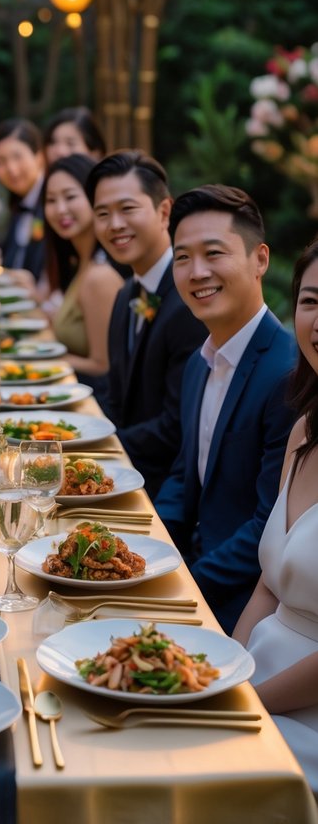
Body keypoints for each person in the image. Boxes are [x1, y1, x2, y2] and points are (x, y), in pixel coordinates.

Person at [155, 185, 297, 633]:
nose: (197, 272)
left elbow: (268, 524)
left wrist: (183, 587)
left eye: (213, 253)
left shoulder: (287, 373)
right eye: (182, 257)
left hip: (246, 602)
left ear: (260, 260)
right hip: (193, 566)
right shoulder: (202, 361)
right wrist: (144, 554)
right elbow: (184, 476)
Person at [233, 237, 318, 792]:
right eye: (312, 301)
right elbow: (269, 584)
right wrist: (223, 669)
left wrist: (249, 708)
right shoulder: (304, 430)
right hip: (258, 674)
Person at [86, 150, 207, 497]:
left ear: (164, 211)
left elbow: (176, 425)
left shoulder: (189, 298)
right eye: (102, 214)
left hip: (162, 488)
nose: (115, 225)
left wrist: (96, 449)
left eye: (127, 209)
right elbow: (116, 394)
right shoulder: (127, 294)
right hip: (121, 475)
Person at [42, 154, 123, 396]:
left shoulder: (100, 276)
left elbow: (103, 366)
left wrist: (39, 361)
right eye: (51, 200)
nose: (60, 209)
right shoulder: (80, 263)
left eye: (70, 196)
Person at [0, 118, 47, 282]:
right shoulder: (19, 201)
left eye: (17, 157)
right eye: (1, 161)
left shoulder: (53, 202)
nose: (11, 169)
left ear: (39, 156)